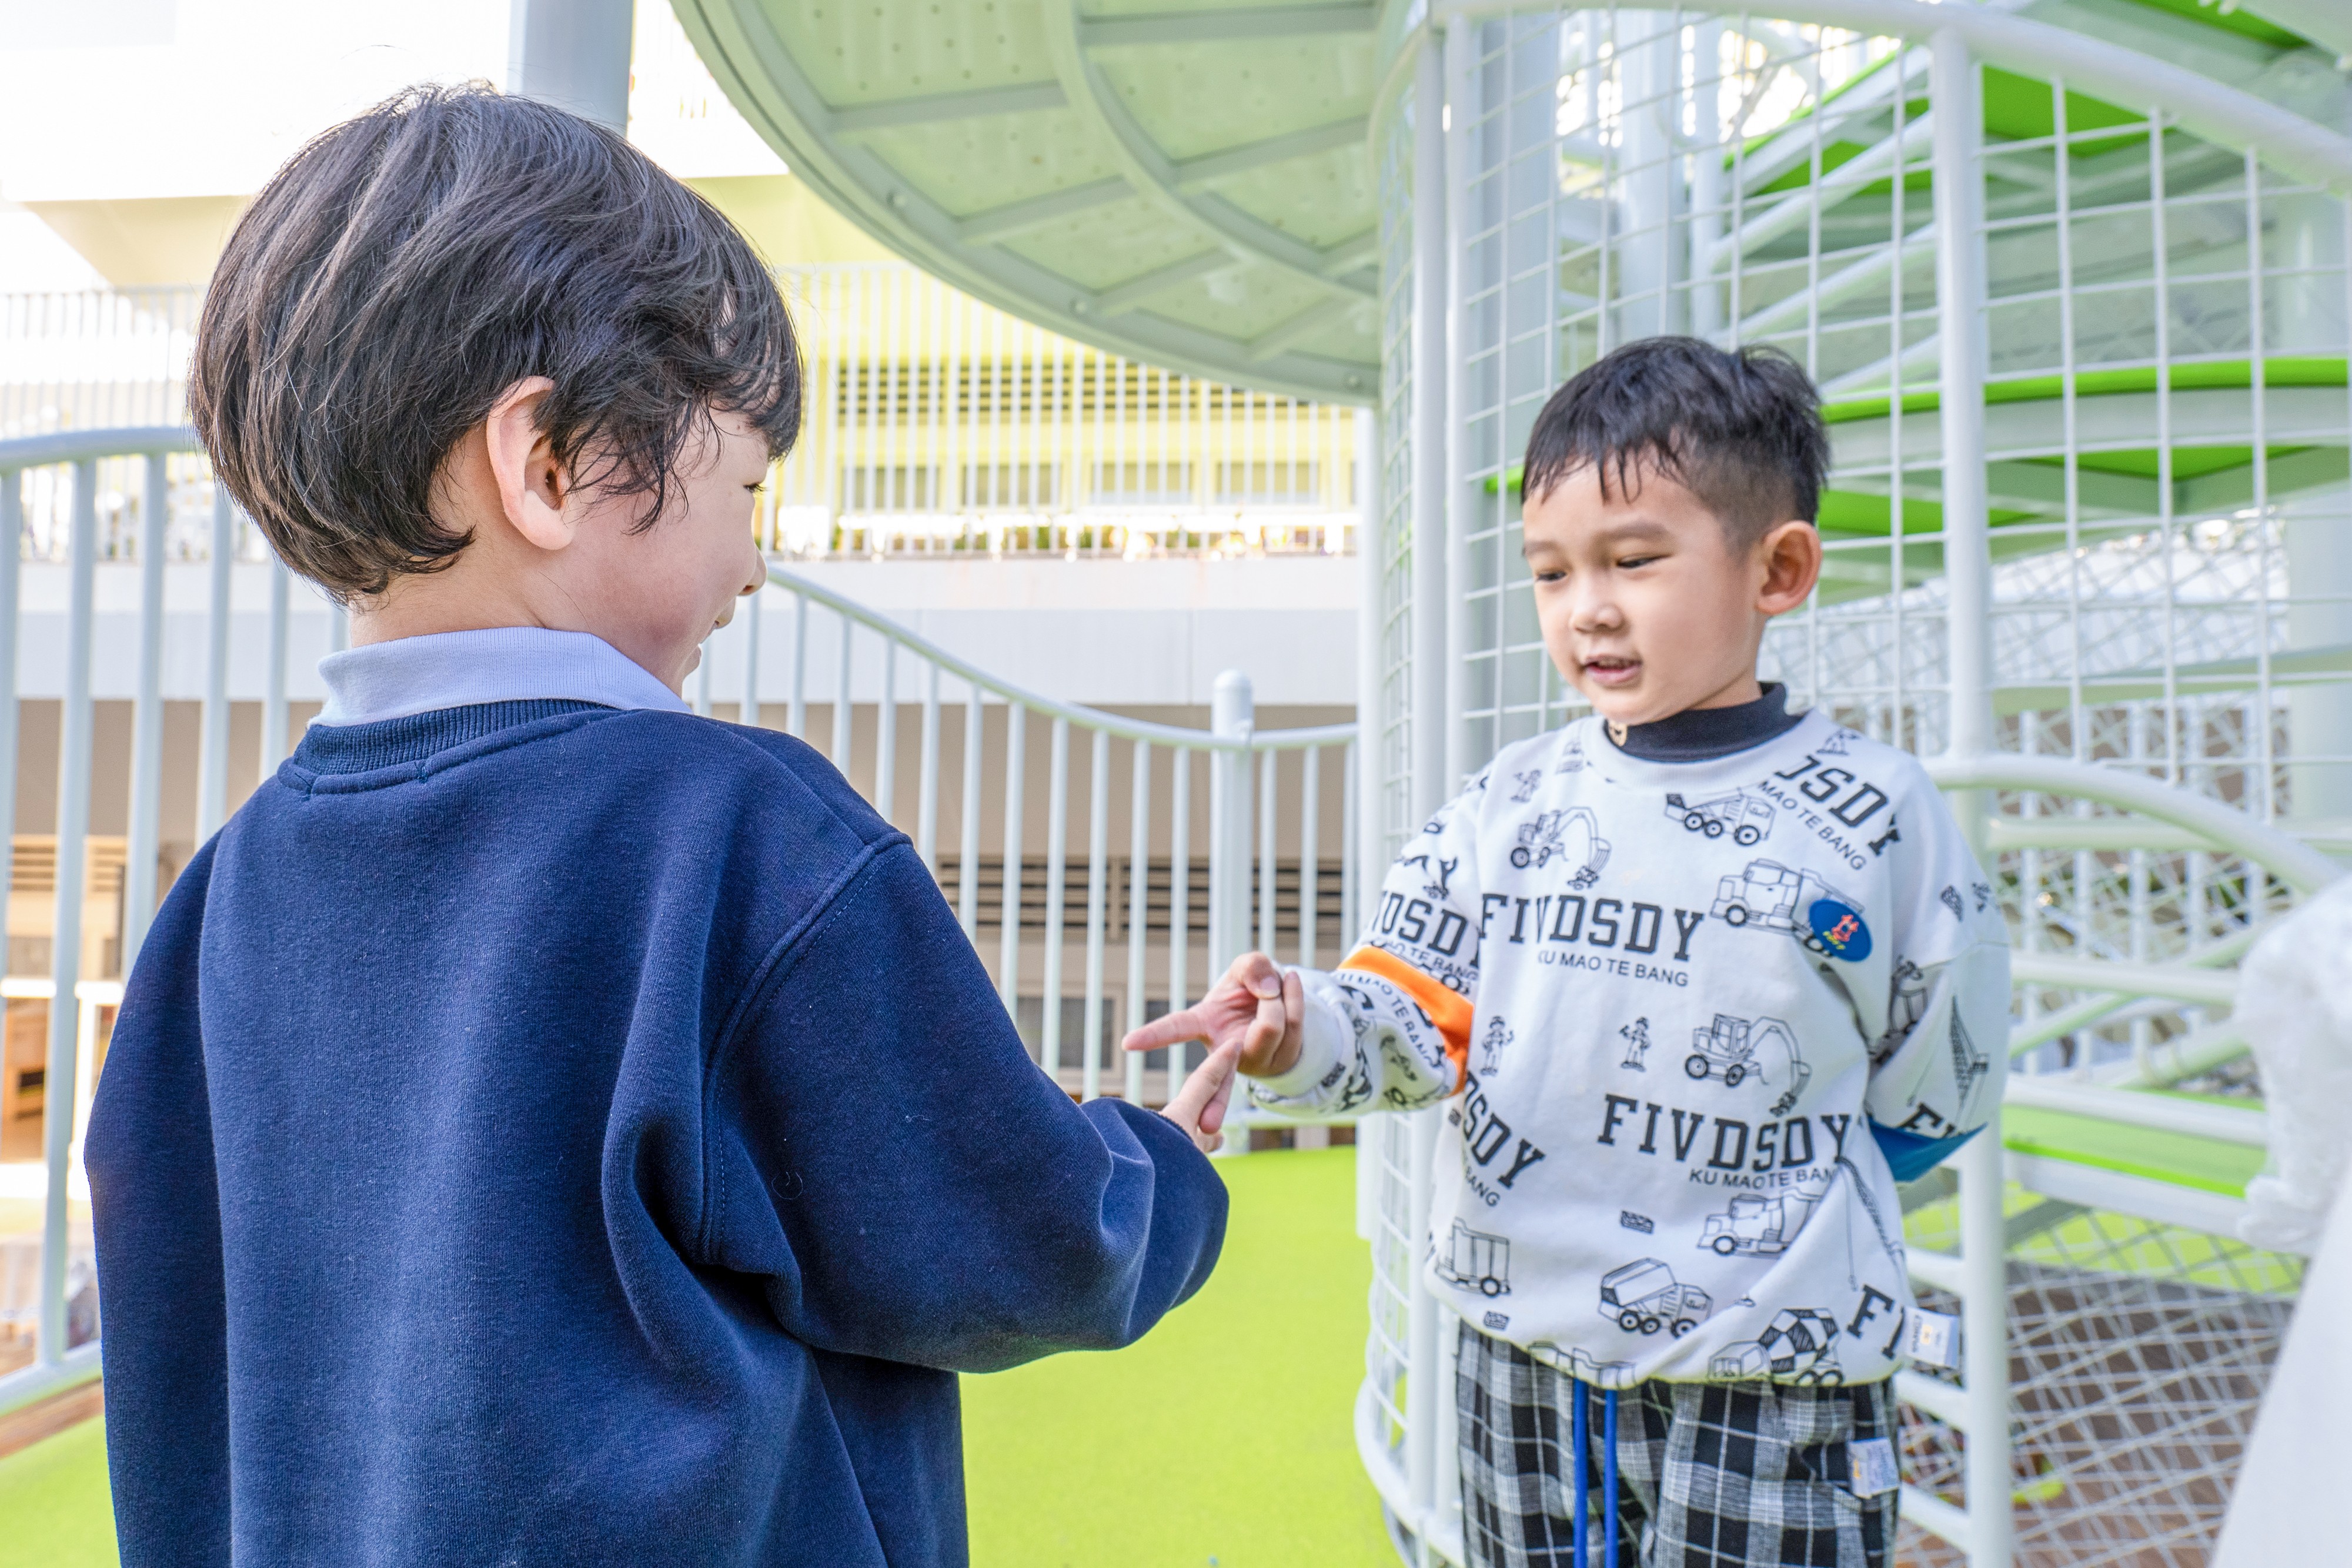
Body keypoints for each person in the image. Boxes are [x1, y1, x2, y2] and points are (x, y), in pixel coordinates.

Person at [85, 86, 1232, 1568]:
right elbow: (1016, 1239)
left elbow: (179, 1351)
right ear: (549, 463)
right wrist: (1158, 1167)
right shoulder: (736, 831)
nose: (753, 561)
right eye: (745, 487)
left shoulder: (222, 889)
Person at [1130, 337, 2010, 1568]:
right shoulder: (1509, 806)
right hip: (1520, 1356)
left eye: (1633, 559)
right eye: (1550, 572)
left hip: (1777, 1372)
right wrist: (1294, 1026)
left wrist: (1780, 1223)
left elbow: (1940, 1081)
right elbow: (1402, 1013)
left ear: (1780, 568)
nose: (1586, 605)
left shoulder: (1876, 814)